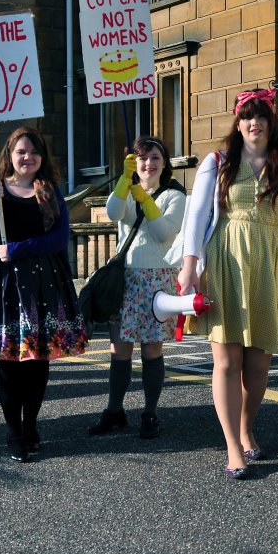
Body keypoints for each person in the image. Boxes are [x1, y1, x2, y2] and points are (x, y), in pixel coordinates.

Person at [177, 88, 278, 480]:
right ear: (238, 124)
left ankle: (246, 427)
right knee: (227, 360)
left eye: (262, 117)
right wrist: (189, 267)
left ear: (272, 124)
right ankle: (233, 447)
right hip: (224, 262)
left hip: (269, 263)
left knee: (259, 360)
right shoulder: (218, 161)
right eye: (247, 117)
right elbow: (197, 216)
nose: (254, 123)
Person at [0, 126, 87, 462]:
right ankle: (13, 432)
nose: (27, 157)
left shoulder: (48, 191)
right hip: (1, 286)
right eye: (21, 152)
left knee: (37, 361)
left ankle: (31, 425)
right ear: (9, 156)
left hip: (42, 285)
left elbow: (60, 238)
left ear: (41, 157)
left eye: (34, 152)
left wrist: (18, 248)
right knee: (9, 363)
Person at [87, 138, 186, 439]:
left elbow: (164, 233)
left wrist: (145, 199)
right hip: (126, 280)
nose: (148, 164)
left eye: (155, 157)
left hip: (157, 280)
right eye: (141, 158)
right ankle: (114, 411)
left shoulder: (175, 195)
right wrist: (123, 182)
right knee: (119, 350)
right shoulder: (127, 190)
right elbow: (114, 213)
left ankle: (150, 413)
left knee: (152, 349)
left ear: (165, 162)